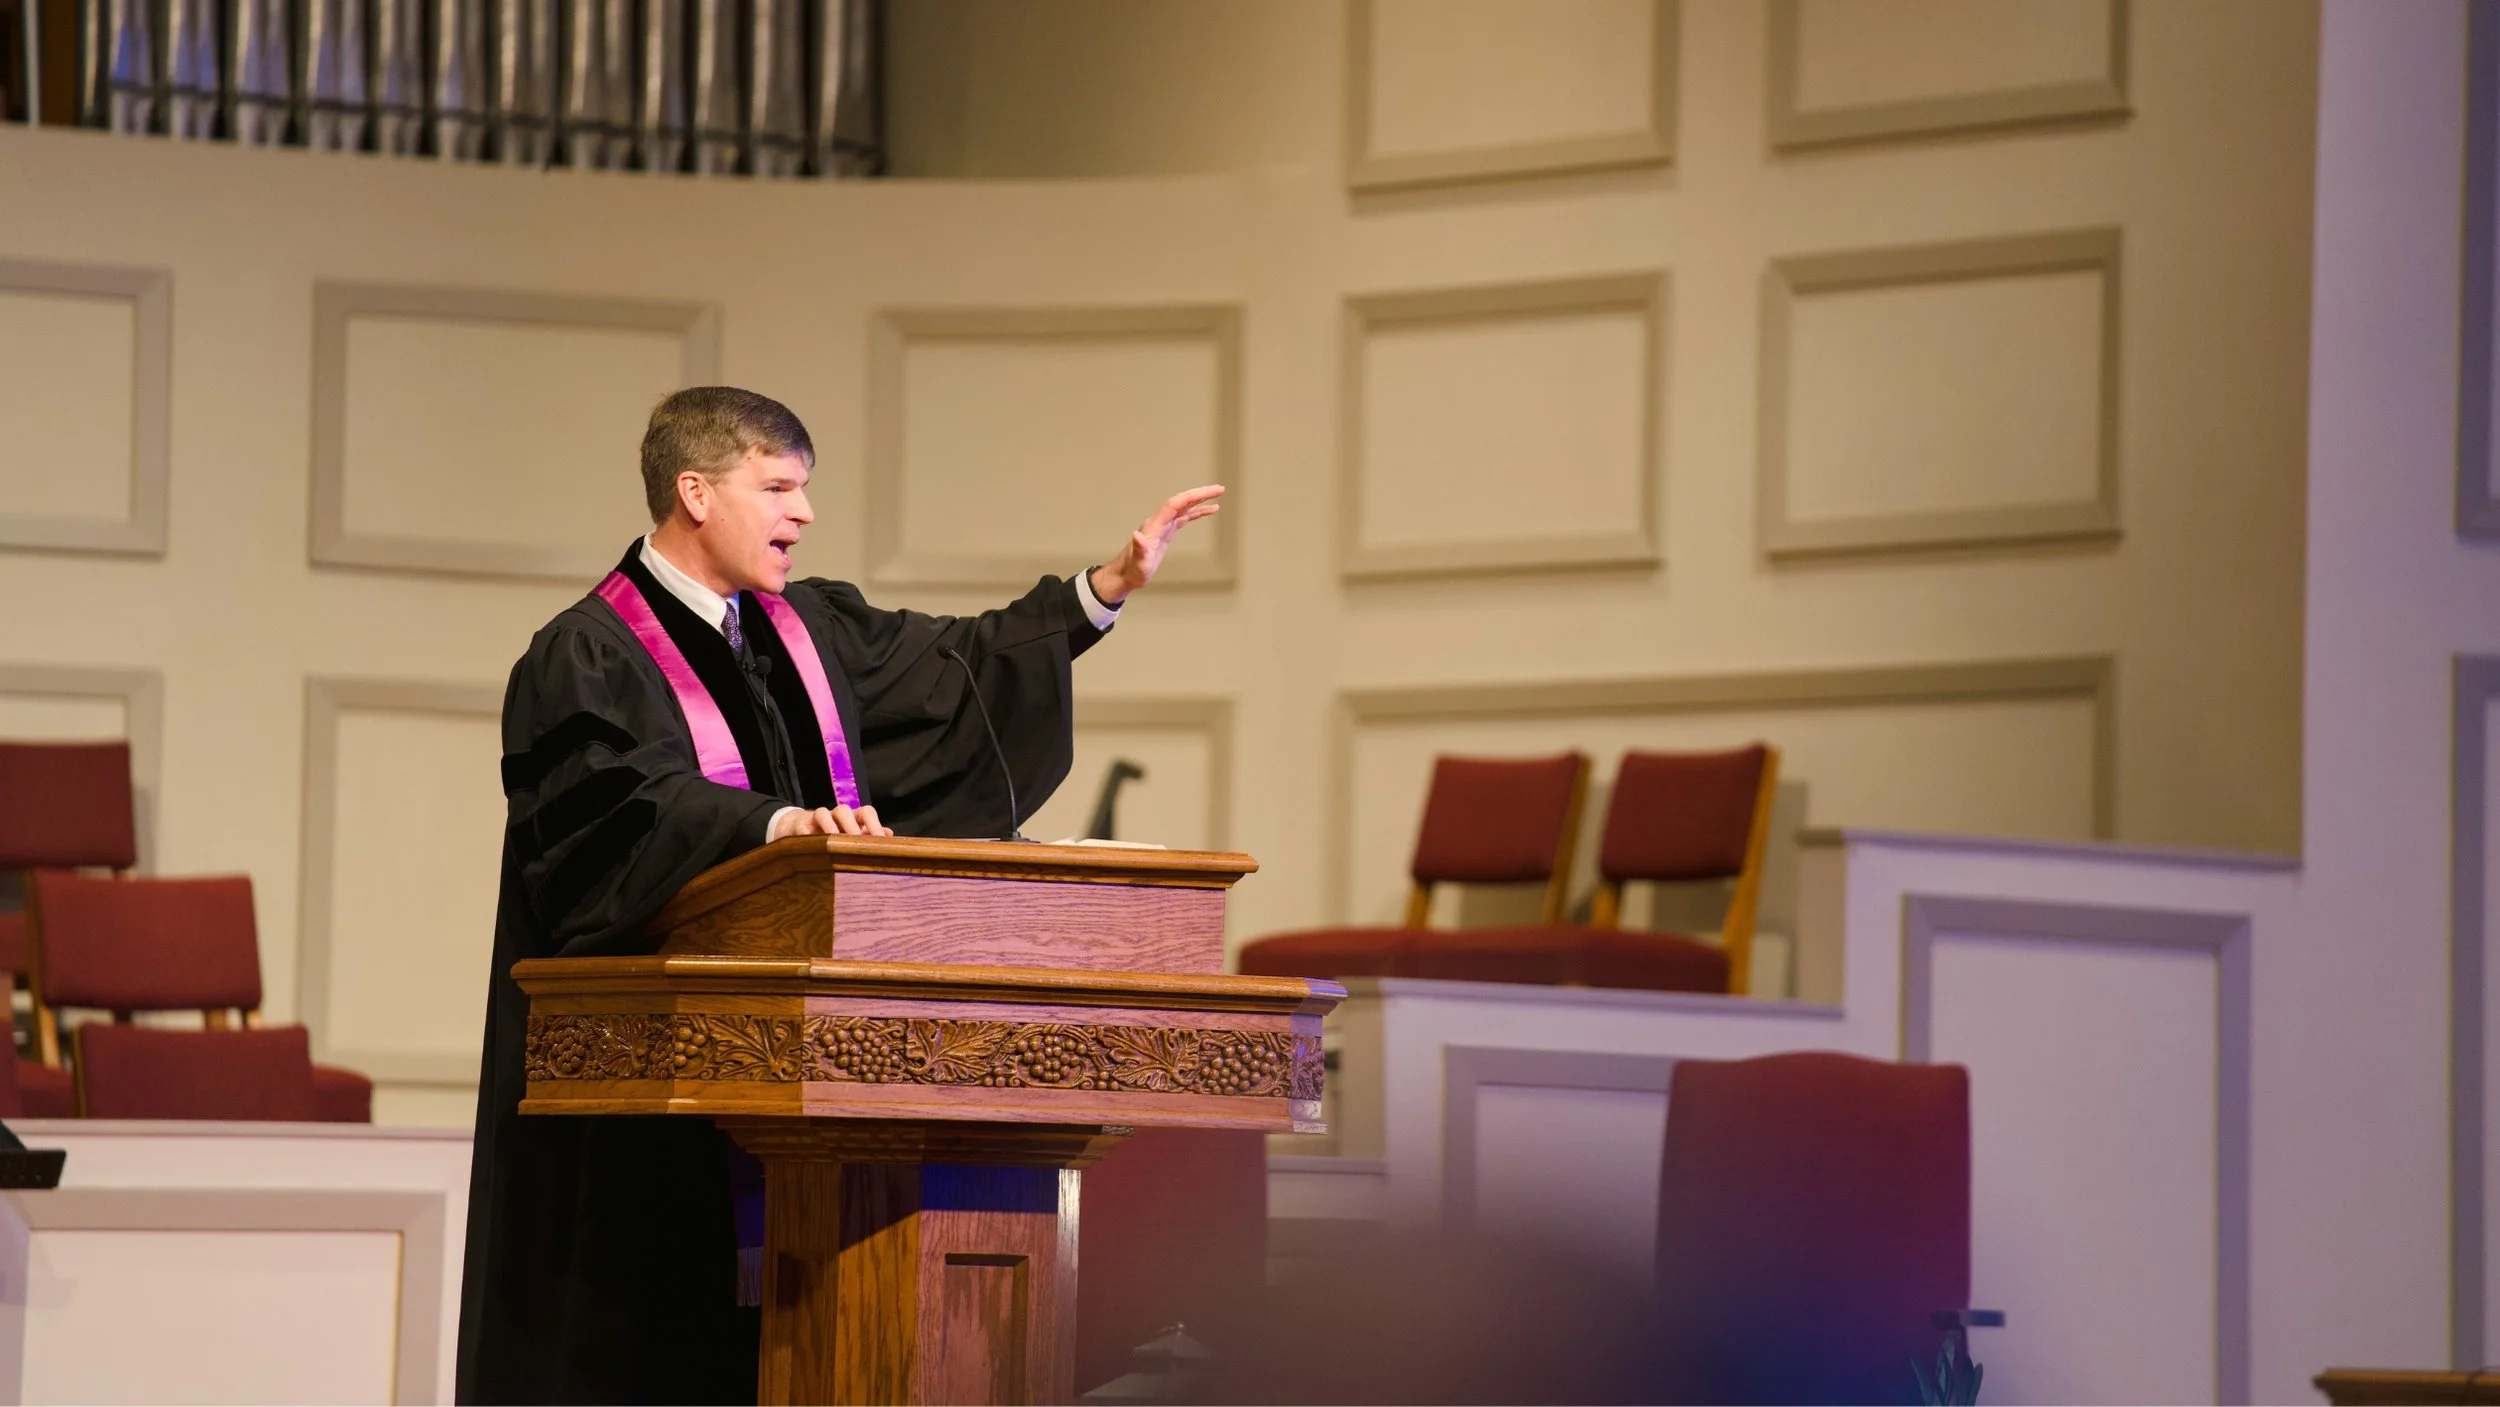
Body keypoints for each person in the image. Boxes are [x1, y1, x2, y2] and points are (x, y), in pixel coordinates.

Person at [454, 386, 1220, 1404]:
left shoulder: (809, 631)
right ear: (693, 492)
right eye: (776, 486)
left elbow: (959, 667)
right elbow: (606, 820)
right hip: (649, 1096)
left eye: (802, 488)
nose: (802, 513)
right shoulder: (586, 653)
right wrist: (770, 825)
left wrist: (1102, 591)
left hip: (803, 1084)